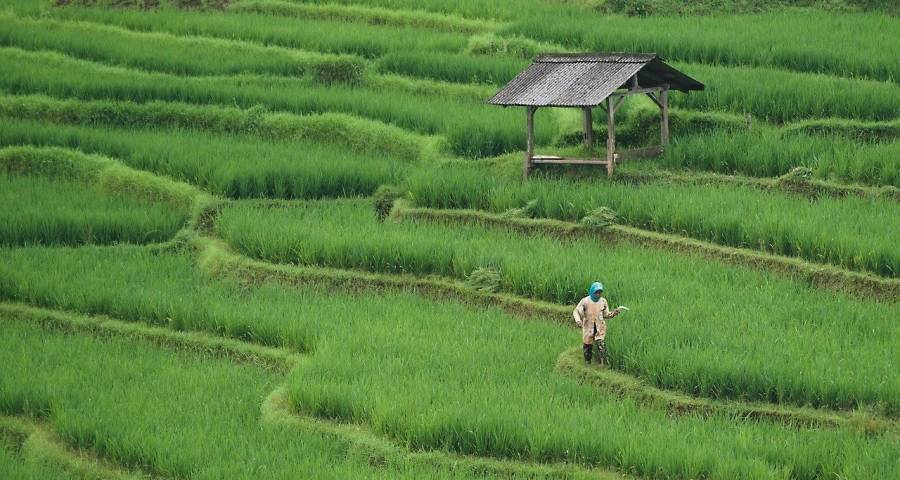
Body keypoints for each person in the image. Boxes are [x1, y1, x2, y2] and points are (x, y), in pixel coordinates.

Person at [573, 281, 622, 365]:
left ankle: (603, 364)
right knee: (587, 346)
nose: (598, 295)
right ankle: (587, 362)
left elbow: (606, 315)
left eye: (600, 293)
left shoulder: (603, 301)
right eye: (596, 292)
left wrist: (614, 313)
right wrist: (578, 320)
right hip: (588, 327)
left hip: (600, 327)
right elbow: (576, 311)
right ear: (592, 291)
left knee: (601, 345)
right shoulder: (585, 301)